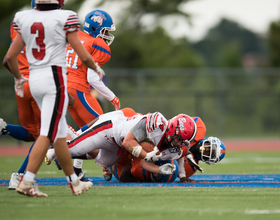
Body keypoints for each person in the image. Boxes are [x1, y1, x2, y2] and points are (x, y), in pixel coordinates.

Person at [3, 0, 106, 197]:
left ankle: (74, 182)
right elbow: (82, 54)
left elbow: (9, 58)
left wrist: (18, 77)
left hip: (33, 80)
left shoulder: (24, 18)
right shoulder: (64, 17)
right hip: (54, 81)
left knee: (58, 133)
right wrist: (96, 68)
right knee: (47, 133)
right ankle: (25, 180)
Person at [45, 110, 199, 178]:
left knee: (102, 160)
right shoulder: (157, 123)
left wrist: (163, 169)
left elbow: (145, 160)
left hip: (117, 146)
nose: (179, 144)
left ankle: (71, 142)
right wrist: (147, 154)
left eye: (182, 142)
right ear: (173, 129)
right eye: (179, 139)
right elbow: (128, 141)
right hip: (111, 129)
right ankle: (59, 144)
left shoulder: (174, 148)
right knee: (72, 149)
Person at [65, 9, 120, 179]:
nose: (107, 36)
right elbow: (92, 78)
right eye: (105, 31)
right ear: (96, 29)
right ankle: (104, 164)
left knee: (87, 131)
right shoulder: (93, 44)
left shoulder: (75, 37)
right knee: (104, 131)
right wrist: (113, 97)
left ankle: (76, 170)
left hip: (66, 88)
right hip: (79, 89)